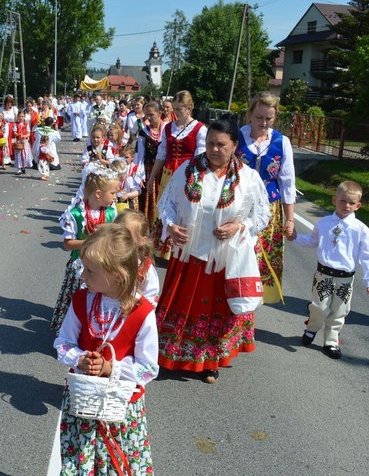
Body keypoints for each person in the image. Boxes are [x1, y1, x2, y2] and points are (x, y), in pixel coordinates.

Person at [154, 115, 270, 383]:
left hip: (224, 259)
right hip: (188, 257)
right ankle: (168, 355)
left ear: (234, 146)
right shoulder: (187, 170)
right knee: (179, 309)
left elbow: (262, 216)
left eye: (221, 144)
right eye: (210, 143)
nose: (214, 149)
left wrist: (239, 226)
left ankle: (211, 362)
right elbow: (166, 204)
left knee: (217, 313)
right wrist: (171, 226)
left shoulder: (248, 178)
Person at [54, 223, 158, 475]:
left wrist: (112, 367)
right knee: (80, 459)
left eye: (90, 271)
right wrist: (80, 359)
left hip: (120, 406)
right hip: (83, 401)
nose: (82, 277)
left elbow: (148, 369)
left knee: (118, 464)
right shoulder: (81, 301)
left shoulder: (142, 312)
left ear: (117, 275)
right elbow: (63, 343)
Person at [289, 181, 369, 359]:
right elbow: (313, 240)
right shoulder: (324, 223)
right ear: (334, 200)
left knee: (339, 311)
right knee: (319, 307)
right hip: (324, 274)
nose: (347, 206)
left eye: (352, 203)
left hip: (345, 278)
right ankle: (312, 328)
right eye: (343, 201)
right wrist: (295, 238)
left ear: (358, 206)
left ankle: (331, 340)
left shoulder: (360, 229)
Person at [236, 92, 296, 304]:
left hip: (268, 212)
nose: (264, 122)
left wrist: (290, 219)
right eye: (259, 117)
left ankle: (253, 304)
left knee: (260, 259)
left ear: (275, 117)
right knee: (238, 257)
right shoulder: (236, 137)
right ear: (250, 114)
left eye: (269, 118)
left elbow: (287, 183)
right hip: (238, 208)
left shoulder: (282, 142)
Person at [52, 167, 120, 331]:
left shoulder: (111, 213)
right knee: (80, 301)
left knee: (99, 300)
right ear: (98, 193)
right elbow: (68, 244)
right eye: (112, 193)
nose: (115, 196)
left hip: (103, 267)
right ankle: (73, 331)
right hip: (80, 267)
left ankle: (95, 331)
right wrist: (92, 241)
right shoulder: (76, 214)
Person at [147, 90, 207, 259]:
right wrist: (152, 177)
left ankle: (179, 249)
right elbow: (162, 153)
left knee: (183, 211)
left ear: (189, 108)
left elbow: (200, 157)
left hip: (187, 176)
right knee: (165, 209)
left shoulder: (200, 129)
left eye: (179, 109)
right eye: (174, 108)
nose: (175, 112)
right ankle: (163, 249)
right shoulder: (168, 127)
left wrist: (195, 181)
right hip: (167, 175)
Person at [114, 209, 160, 305]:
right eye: (116, 234)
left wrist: (139, 302)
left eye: (128, 237)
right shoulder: (107, 259)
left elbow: (151, 296)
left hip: (132, 312)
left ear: (142, 241)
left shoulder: (144, 267)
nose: (120, 240)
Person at [135, 101, 165, 222]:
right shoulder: (144, 132)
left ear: (159, 113)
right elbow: (140, 155)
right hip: (149, 169)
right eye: (146, 115)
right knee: (149, 196)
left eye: (151, 114)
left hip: (164, 170)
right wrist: (140, 175)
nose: (148, 118)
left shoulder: (168, 129)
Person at [11, 111, 31, 176]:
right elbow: (14, 132)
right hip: (19, 141)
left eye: (22, 116)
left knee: (24, 155)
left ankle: (23, 167)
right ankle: (19, 168)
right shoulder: (16, 124)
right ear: (18, 117)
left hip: (24, 141)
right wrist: (19, 135)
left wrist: (25, 136)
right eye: (20, 116)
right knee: (18, 155)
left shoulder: (26, 124)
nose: (21, 118)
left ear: (24, 117)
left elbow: (28, 133)